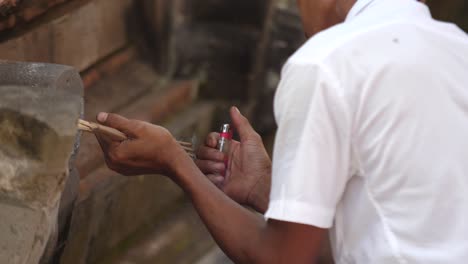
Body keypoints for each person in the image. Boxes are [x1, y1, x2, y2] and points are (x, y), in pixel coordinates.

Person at [95, 0, 468, 263]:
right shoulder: (457, 48)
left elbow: (282, 259)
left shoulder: (327, 63)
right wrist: (266, 188)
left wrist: (176, 164)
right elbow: (389, 226)